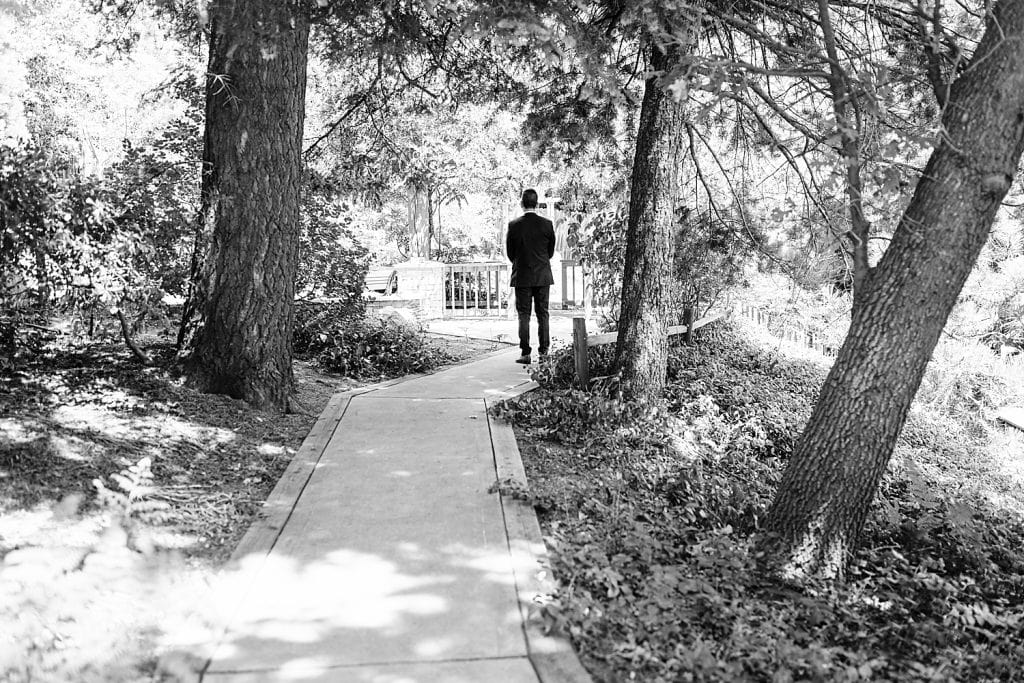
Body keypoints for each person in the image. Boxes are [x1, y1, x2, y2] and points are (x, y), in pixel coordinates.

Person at [506, 188, 555, 364]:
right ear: (537, 203)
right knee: (543, 314)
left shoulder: (514, 225)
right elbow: (550, 251)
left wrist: (521, 263)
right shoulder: (547, 224)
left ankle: (525, 353)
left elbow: (510, 253)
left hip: (522, 276)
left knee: (524, 315)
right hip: (542, 275)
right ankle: (544, 352)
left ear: (522, 203)